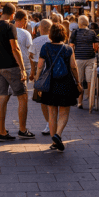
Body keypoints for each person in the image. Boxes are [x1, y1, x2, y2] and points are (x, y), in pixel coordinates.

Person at [0, 3, 33, 141]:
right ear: (12, 14)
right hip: (12, 66)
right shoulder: (10, 26)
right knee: (22, 97)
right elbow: (15, 48)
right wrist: (22, 68)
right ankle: (22, 130)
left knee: (2, 98)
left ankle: (2, 132)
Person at [36, 22, 81, 151]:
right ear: (64, 35)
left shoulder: (45, 47)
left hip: (50, 83)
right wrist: (78, 82)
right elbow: (73, 67)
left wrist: (38, 84)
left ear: (50, 35)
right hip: (66, 83)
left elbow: (40, 66)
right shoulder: (68, 49)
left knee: (52, 112)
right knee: (64, 112)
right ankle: (58, 134)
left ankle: (54, 141)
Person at [70, 15, 99, 109]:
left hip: (78, 59)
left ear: (79, 23)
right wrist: (92, 51)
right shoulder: (92, 32)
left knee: (80, 81)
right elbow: (96, 46)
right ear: (87, 23)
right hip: (90, 58)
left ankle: (80, 102)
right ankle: (91, 101)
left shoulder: (75, 32)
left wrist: (72, 59)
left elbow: (71, 47)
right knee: (90, 80)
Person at [30, 18, 53, 135]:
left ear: (40, 28)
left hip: (42, 74)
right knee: (54, 101)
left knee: (43, 100)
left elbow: (33, 59)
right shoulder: (56, 39)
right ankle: (53, 122)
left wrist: (33, 74)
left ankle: (49, 123)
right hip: (56, 74)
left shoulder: (36, 41)